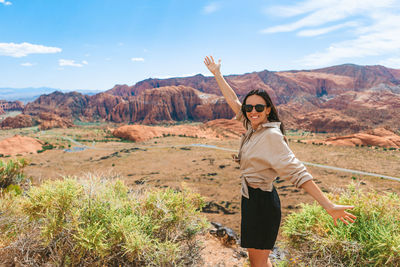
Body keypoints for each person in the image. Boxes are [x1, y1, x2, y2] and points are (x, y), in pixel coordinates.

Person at [204, 56, 357, 267]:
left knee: (258, 263)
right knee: (257, 261)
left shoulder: (271, 136)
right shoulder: (253, 128)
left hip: (262, 204)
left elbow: (298, 173)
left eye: (259, 108)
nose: (252, 112)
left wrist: (329, 206)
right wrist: (218, 74)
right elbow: (234, 103)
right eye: (249, 109)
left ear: (268, 109)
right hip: (250, 200)